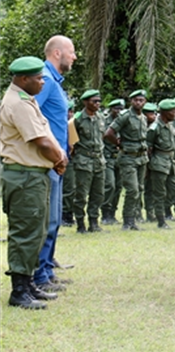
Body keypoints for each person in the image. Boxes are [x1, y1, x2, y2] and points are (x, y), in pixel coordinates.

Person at [1, 57, 68, 309]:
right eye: (38, 78)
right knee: (24, 234)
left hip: (32, 175)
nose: (42, 82)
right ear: (23, 79)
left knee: (36, 231)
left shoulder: (26, 100)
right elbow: (40, 141)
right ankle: (19, 291)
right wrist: (59, 159)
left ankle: (28, 283)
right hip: (24, 176)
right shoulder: (18, 104)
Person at [33, 36, 76, 293]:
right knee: (48, 220)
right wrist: (53, 150)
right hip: (48, 161)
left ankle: (47, 270)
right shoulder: (45, 80)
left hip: (57, 161)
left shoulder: (55, 82)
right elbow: (32, 116)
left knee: (55, 219)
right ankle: (39, 276)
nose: (74, 57)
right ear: (57, 53)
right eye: (71, 52)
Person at [104, 89, 149, 231]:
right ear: (131, 101)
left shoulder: (143, 118)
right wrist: (119, 144)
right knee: (132, 190)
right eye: (136, 100)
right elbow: (109, 133)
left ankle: (132, 220)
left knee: (140, 189)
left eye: (141, 100)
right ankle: (127, 221)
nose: (138, 102)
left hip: (141, 157)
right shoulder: (125, 116)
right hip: (128, 157)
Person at [146, 99, 175, 229]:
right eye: (172, 111)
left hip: (170, 162)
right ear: (164, 113)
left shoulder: (170, 125)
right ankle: (161, 221)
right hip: (159, 163)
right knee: (159, 193)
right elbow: (148, 148)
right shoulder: (154, 127)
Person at [71, 89, 106, 234]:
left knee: (98, 194)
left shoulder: (101, 117)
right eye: (94, 101)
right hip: (83, 160)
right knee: (81, 194)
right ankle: (80, 224)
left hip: (99, 160)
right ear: (86, 102)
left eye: (99, 101)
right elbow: (71, 140)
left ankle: (94, 222)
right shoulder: (77, 119)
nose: (97, 104)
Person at [100, 99, 124, 225]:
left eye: (121, 109)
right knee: (110, 185)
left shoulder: (124, 122)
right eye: (116, 109)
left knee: (119, 187)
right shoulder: (105, 122)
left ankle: (112, 214)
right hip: (108, 157)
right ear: (111, 109)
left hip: (119, 158)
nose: (118, 112)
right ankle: (105, 213)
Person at [61, 101, 76, 227]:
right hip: (57, 159)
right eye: (67, 111)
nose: (69, 114)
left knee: (70, 188)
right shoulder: (55, 124)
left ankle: (68, 214)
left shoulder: (72, 125)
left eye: (71, 111)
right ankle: (63, 214)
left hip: (70, 160)